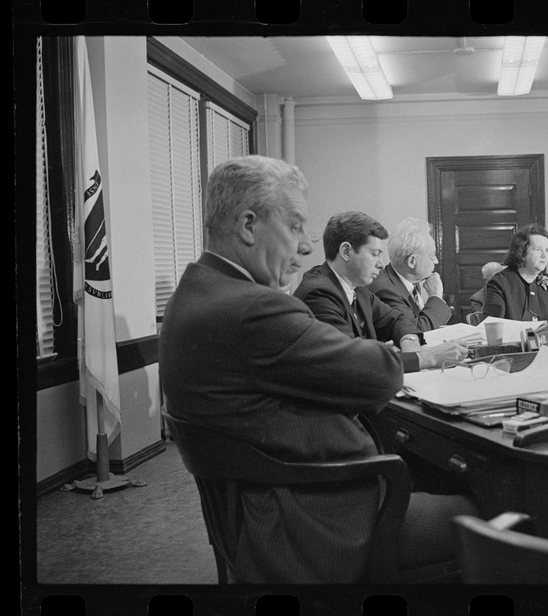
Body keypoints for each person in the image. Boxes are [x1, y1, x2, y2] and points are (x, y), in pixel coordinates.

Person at [159, 156, 476, 583]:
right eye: (294, 226)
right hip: (317, 521)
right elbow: (377, 375)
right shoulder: (253, 308)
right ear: (249, 226)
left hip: (267, 507)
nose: (307, 247)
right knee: (484, 507)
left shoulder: (194, 294)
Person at [295, 211, 467, 372]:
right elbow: (354, 361)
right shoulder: (319, 294)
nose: (381, 264)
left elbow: (396, 320)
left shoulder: (359, 289)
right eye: (375, 254)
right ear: (346, 251)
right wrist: (428, 358)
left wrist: (410, 340)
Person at [366, 217, 453, 333]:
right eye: (432, 256)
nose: (436, 261)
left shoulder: (411, 281)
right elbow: (416, 332)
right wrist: (435, 295)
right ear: (412, 261)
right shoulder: (384, 290)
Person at [482, 224, 548, 322]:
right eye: (538, 249)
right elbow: (493, 327)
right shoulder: (500, 283)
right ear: (521, 252)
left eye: (547, 250)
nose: (544, 255)